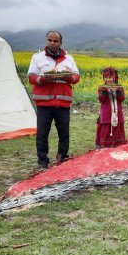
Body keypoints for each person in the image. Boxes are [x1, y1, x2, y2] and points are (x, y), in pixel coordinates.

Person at [28, 31, 80, 169]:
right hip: (44, 103)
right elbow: (31, 77)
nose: (52, 43)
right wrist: (43, 79)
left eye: (55, 41)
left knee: (64, 133)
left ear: (60, 43)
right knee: (42, 134)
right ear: (46, 41)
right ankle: (43, 161)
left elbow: (76, 78)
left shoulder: (69, 59)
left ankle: (62, 157)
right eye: (50, 40)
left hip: (63, 103)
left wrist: (67, 77)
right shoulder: (37, 57)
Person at [95, 67, 125, 149]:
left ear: (114, 77)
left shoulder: (120, 87)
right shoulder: (101, 88)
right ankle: (104, 147)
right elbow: (102, 100)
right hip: (106, 114)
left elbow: (121, 99)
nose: (108, 80)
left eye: (110, 77)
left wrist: (118, 92)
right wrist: (104, 92)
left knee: (117, 131)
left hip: (117, 113)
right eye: (106, 77)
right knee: (106, 130)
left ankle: (117, 147)